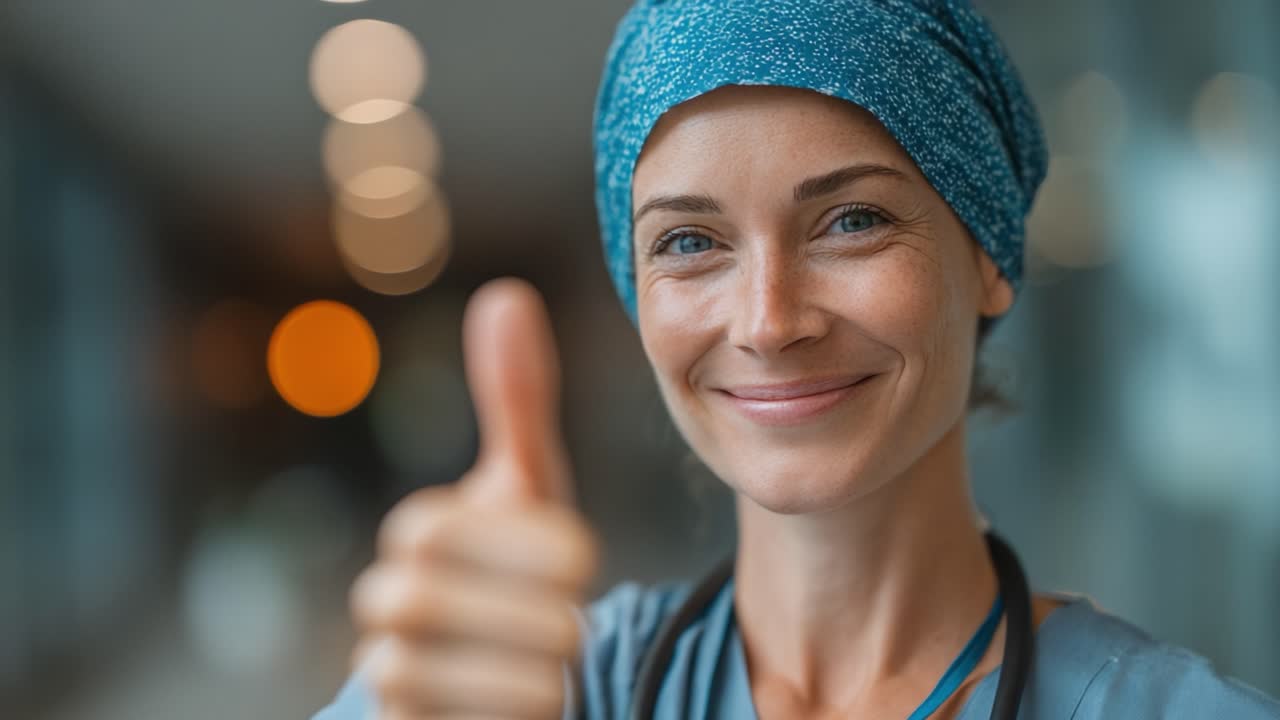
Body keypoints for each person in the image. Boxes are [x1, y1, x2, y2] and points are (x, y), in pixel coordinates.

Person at [313, 0, 1280, 718]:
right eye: (689, 243)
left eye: (852, 221)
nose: (769, 322)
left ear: (987, 256)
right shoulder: (521, 682)